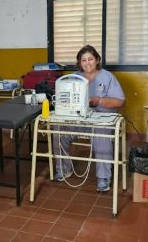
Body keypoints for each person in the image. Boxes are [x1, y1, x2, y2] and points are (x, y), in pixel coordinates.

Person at [53, 45, 125, 192]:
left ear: (97, 60)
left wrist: (98, 101)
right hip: (79, 120)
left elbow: (120, 102)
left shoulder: (107, 77)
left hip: (101, 120)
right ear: (80, 63)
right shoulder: (73, 77)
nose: (87, 63)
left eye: (90, 59)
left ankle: (104, 177)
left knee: (101, 134)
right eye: (83, 60)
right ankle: (64, 169)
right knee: (58, 130)